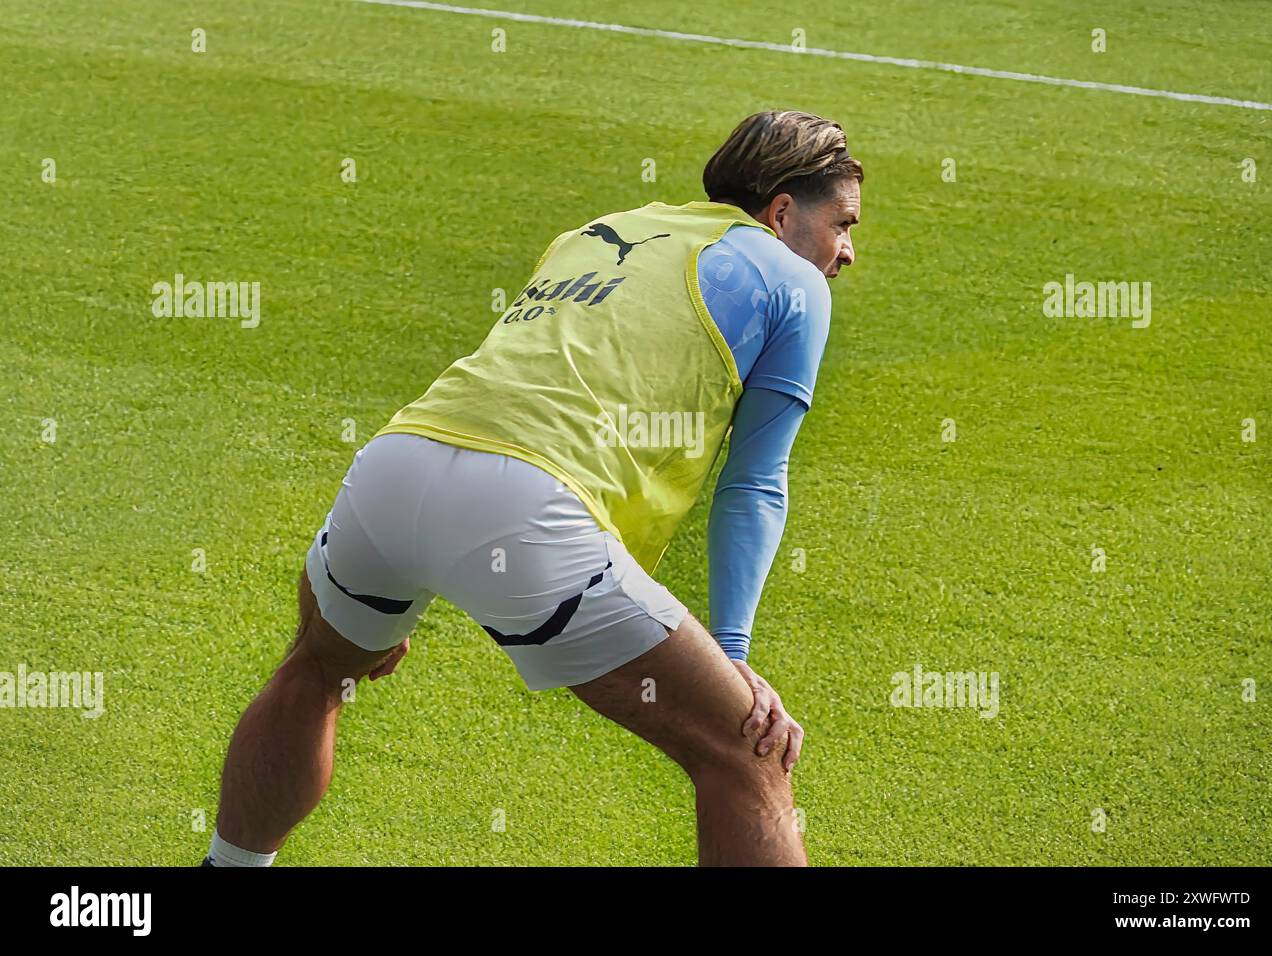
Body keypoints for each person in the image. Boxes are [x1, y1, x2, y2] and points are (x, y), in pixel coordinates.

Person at [206, 109, 861, 867]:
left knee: (318, 669)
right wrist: (735, 653)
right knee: (749, 752)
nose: (846, 252)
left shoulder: (603, 230)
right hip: (529, 512)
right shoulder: (793, 282)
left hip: (398, 464)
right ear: (782, 212)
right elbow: (754, 483)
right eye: (842, 224)